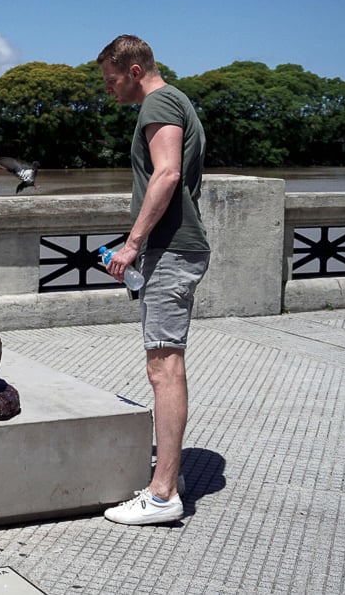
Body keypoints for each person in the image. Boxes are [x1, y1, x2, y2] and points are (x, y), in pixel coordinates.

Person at [96, 35, 211, 525]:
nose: (110, 89)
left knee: (164, 367)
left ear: (135, 69)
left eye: (112, 79)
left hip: (170, 250)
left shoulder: (158, 103)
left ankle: (163, 495)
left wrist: (132, 244)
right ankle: (171, 473)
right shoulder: (179, 99)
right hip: (174, 248)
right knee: (166, 363)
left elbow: (166, 175)